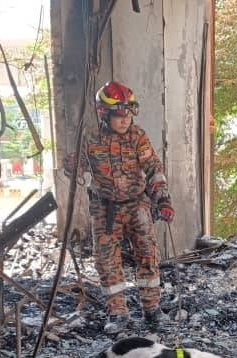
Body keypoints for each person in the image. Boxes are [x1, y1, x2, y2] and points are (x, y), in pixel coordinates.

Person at [64, 81, 174, 334]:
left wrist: (163, 200)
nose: (125, 121)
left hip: (137, 205)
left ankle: (152, 310)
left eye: (128, 115)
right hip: (105, 209)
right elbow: (76, 164)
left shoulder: (138, 137)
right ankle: (117, 312)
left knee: (148, 255)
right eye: (119, 115)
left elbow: (154, 169)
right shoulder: (91, 138)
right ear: (105, 113)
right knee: (107, 261)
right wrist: (73, 165)